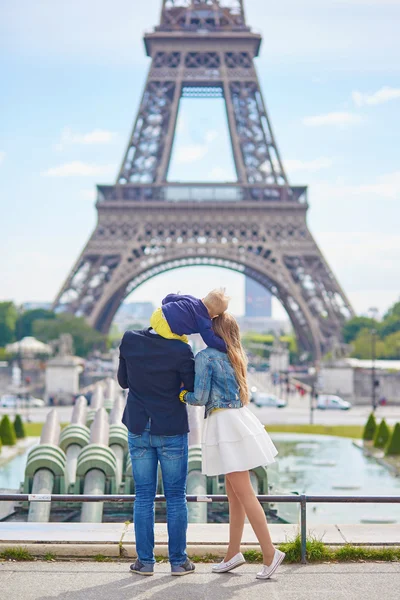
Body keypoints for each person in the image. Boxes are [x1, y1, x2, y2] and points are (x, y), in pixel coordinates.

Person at [181, 312, 285, 580]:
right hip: (239, 420)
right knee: (235, 495)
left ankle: (270, 553)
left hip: (224, 424)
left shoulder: (206, 356)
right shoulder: (235, 354)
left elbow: (200, 396)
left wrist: (181, 393)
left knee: (245, 494)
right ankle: (233, 553)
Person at [118, 326, 196, 577]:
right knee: (175, 497)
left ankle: (145, 562)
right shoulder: (182, 349)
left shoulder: (130, 339)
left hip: (139, 425)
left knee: (143, 496)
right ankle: (178, 562)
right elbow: (192, 387)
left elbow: (123, 381)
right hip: (171, 427)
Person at [150, 289, 229, 353]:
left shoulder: (190, 298)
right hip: (165, 328)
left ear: (203, 298)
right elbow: (211, 340)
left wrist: (168, 304)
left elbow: (168, 298)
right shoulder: (204, 322)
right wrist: (227, 346)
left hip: (157, 314)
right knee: (184, 343)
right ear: (214, 316)